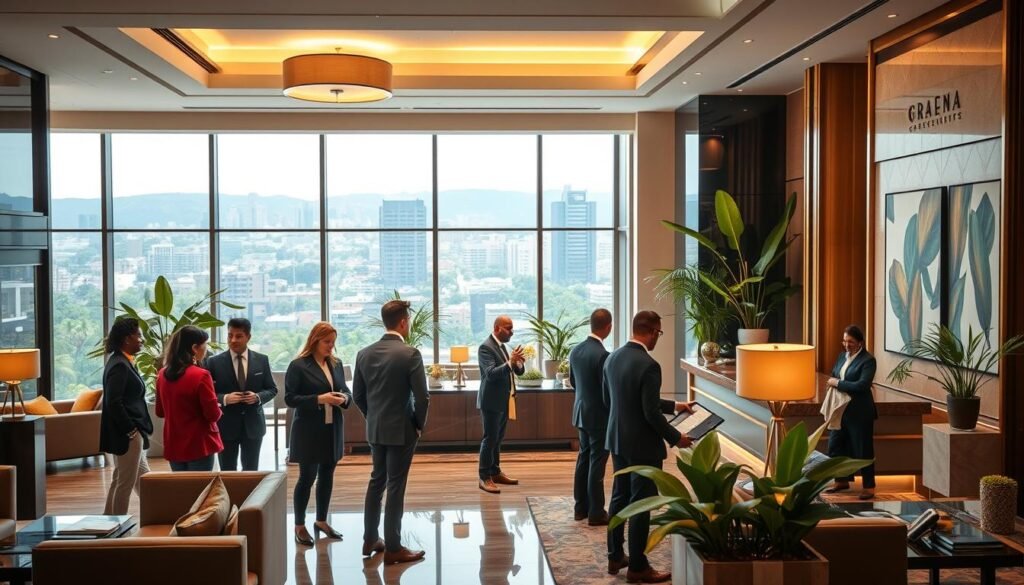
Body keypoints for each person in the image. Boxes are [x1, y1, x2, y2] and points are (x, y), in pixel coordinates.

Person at [605, 310, 693, 584]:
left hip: (618, 439)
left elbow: (617, 400)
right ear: (653, 331)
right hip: (642, 446)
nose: (658, 338)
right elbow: (650, 413)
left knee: (619, 498)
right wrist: (676, 437)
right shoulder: (649, 364)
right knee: (641, 503)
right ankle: (638, 567)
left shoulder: (613, 358)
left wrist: (675, 406)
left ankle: (615, 555)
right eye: (659, 333)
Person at [352, 300, 430, 564]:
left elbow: (358, 395)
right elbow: (423, 398)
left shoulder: (363, 353)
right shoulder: (410, 354)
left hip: (375, 428)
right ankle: (394, 548)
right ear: (403, 322)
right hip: (402, 430)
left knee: (377, 482)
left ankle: (370, 538)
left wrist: (372, 417)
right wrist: (418, 424)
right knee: (396, 486)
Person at [286, 322, 351, 546]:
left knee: (327, 475)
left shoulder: (336, 363)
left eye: (333, 342)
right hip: (308, 430)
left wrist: (344, 399)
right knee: (306, 478)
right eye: (327, 342)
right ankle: (300, 525)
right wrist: (320, 399)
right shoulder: (298, 365)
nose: (331, 347)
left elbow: (345, 390)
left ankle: (322, 520)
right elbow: (290, 398)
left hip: (332, 428)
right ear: (315, 340)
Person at [205, 317, 278, 471]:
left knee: (251, 471)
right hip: (226, 426)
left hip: (253, 426)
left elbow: (272, 389)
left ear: (248, 337)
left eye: (238, 336)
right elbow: (207, 394)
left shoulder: (261, 360)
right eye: (230, 335)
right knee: (227, 471)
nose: (233, 340)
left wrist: (257, 397)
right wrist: (224, 398)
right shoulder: (213, 362)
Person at [100, 317, 154, 515]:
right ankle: (116, 529)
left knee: (140, 479)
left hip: (131, 433)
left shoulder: (122, 361)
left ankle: (108, 522)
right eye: (138, 335)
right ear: (126, 338)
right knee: (125, 483)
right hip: (128, 434)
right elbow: (113, 402)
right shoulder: (120, 365)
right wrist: (130, 429)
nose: (142, 339)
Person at [155, 325, 223, 472]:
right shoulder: (201, 375)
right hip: (199, 444)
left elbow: (160, 412)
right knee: (200, 491)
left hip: (174, 444)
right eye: (205, 344)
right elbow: (212, 415)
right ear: (194, 348)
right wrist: (217, 406)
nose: (206, 349)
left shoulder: (161, 374)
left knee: (182, 491)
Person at [569, 308, 613, 526]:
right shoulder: (603, 355)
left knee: (583, 458)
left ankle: (580, 508)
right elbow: (607, 391)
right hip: (599, 417)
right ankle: (596, 512)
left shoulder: (575, 351)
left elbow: (573, 382)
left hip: (581, 413)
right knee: (597, 461)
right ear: (608, 327)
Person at [824, 324, 877, 500]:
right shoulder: (842, 356)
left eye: (851, 342)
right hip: (840, 411)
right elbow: (834, 374)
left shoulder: (868, 360)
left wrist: (837, 383)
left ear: (860, 342)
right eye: (845, 341)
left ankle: (869, 487)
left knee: (863, 450)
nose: (847, 345)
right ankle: (841, 481)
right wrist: (835, 381)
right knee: (835, 446)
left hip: (859, 412)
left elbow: (862, 385)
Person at [477, 315, 526, 494]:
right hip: (491, 402)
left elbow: (514, 370)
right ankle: (484, 477)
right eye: (508, 328)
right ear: (497, 328)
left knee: (497, 439)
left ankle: (495, 472)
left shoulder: (502, 347)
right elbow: (490, 374)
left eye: (512, 328)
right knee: (489, 439)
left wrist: (519, 364)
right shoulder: (485, 347)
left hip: (504, 400)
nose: (511, 331)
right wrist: (510, 362)